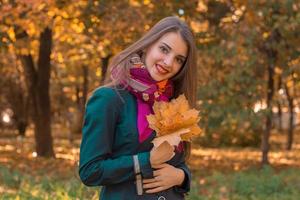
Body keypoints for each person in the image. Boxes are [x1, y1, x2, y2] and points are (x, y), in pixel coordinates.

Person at [79, 16, 197, 200]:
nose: (168, 62)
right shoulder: (109, 99)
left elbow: (178, 162)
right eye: (164, 49)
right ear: (147, 45)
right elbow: (90, 171)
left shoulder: (172, 103)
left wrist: (181, 176)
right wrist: (145, 161)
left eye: (179, 59)